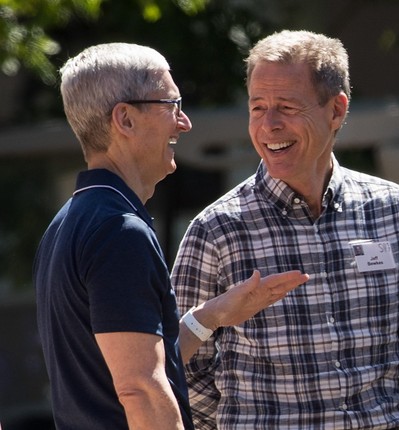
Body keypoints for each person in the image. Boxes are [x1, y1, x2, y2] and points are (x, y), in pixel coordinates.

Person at [170, 30, 399, 429]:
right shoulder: (216, 230)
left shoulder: (394, 210)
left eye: (287, 107)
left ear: (336, 111)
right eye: (258, 108)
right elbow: (179, 366)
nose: (269, 125)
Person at [33, 43, 308, 430]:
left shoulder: (69, 221)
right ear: (125, 119)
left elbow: (131, 362)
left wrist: (212, 315)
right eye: (172, 105)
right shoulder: (118, 230)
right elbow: (140, 387)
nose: (184, 123)